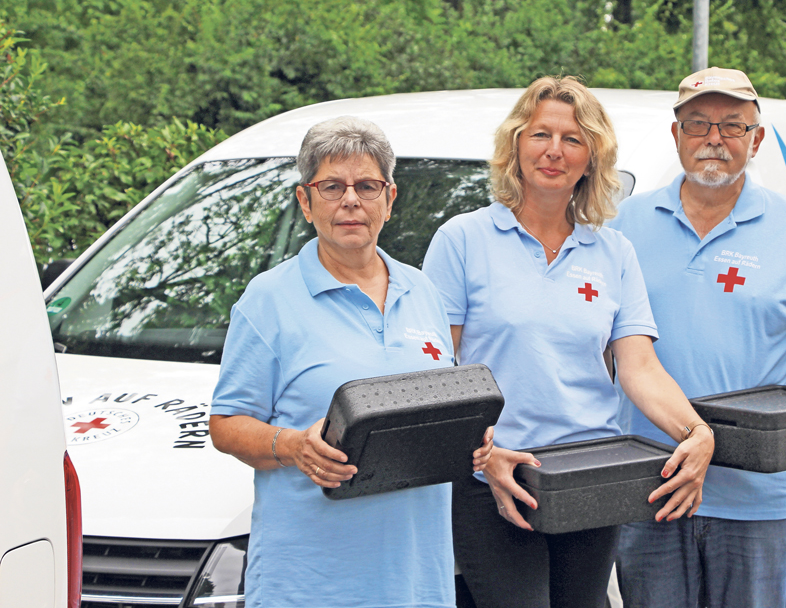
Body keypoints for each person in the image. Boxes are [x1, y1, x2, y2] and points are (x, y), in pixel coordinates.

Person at [422, 76, 715, 608]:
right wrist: (483, 458)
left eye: (573, 140)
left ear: (591, 160)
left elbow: (639, 367)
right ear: (516, 144)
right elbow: (438, 371)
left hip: (589, 475)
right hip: (496, 476)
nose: (554, 150)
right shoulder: (462, 240)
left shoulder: (614, 253)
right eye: (540, 134)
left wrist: (697, 432)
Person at [610, 67, 786, 608]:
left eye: (732, 126)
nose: (713, 138)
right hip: (649, 491)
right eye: (698, 124)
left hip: (759, 502)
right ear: (676, 135)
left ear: (756, 139)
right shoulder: (624, 226)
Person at [209, 116, 493, 608]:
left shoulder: (422, 291)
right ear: (305, 201)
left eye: (367, 185)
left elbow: (437, 407)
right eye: (332, 186)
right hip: (311, 584)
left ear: (390, 198)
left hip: (415, 580)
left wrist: (471, 439)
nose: (351, 201)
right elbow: (225, 424)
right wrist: (294, 445)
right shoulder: (269, 300)